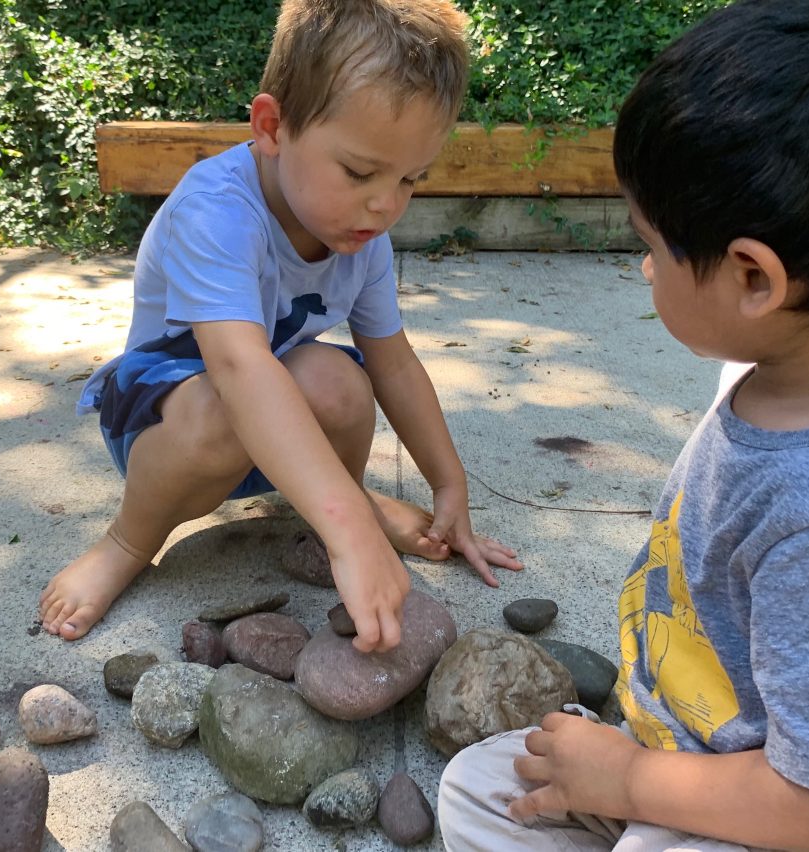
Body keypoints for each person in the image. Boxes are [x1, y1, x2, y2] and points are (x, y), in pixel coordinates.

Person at [438, 0, 809, 849]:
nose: (644, 265)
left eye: (654, 243)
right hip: (693, 757)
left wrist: (633, 781)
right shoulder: (782, 374)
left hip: (790, 816)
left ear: (755, 279)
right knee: (484, 788)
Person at [38, 0, 522, 652]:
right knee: (224, 405)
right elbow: (239, 369)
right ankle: (128, 541)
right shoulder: (216, 208)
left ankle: (332, 499)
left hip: (269, 431)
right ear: (272, 127)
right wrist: (351, 526)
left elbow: (395, 364)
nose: (386, 204)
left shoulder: (361, 232)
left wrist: (449, 483)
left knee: (339, 380)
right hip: (164, 429)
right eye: (359, 171)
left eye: (411, 178)